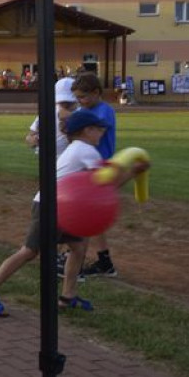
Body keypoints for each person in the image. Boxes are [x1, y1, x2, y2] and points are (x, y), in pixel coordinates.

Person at [0, 109, 144, 316]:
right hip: (50, 206)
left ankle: (68, 296)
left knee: (79, 247)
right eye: (99, 129)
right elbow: (107, 186)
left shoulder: (78, 148)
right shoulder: (85, 150)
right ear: (86, 130)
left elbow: (103, 179)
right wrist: (133, 172)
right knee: (29, 251)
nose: (102, 133)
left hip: (63, 207)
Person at [71, 72, 119, 278]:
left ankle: (74, 259)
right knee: (91, 217)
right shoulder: (85, 109)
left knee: (84, 217)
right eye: (77, 98)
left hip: (98, 167)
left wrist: (68, 118)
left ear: (96, 93)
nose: (79, 101)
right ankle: (104, 260)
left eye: (83, 96)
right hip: (87, 167)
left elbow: (87, 125)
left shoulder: (104, 111)